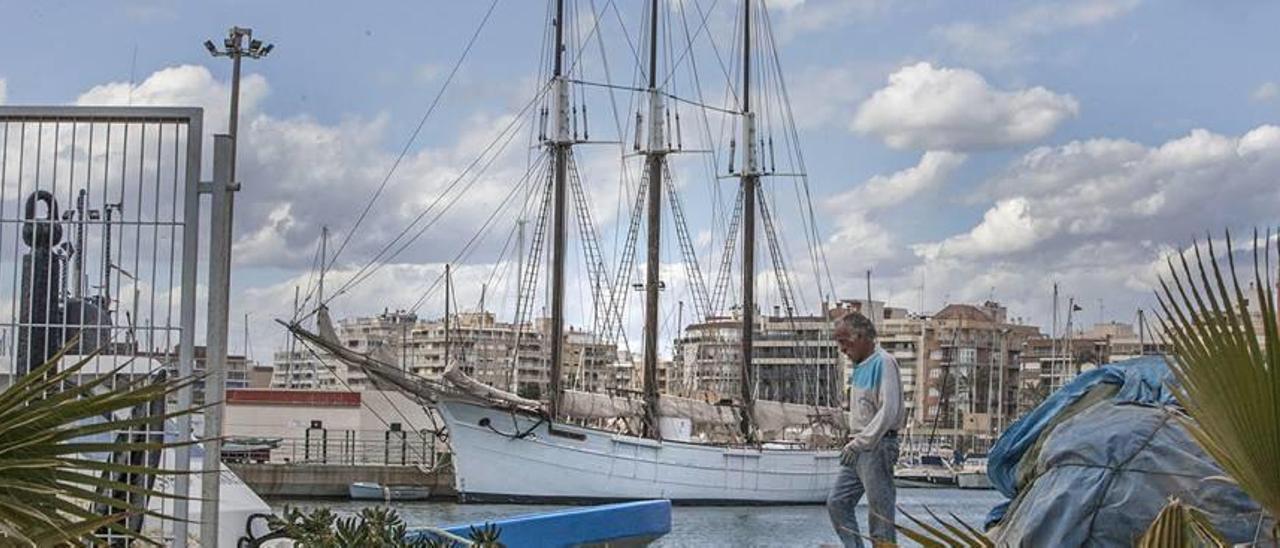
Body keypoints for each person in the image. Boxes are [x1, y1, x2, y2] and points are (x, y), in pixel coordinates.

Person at [827, 311, 906, 547]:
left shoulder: (884, 362)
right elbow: (863, 412)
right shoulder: (860, 366)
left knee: (880, 514)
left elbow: (888, 410)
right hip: (858, 446)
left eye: (843, 341)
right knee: (838, 502)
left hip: (877, 445)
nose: (841, 348)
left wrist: (861, 441)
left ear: (860, 336)